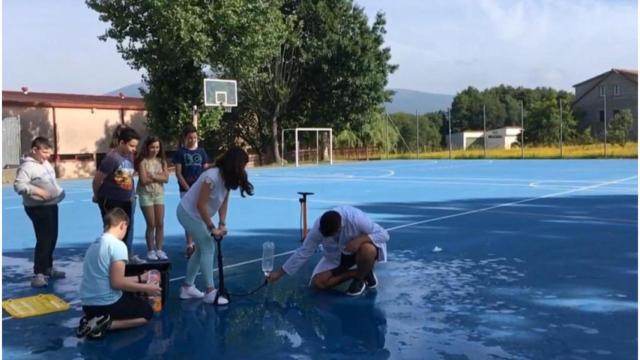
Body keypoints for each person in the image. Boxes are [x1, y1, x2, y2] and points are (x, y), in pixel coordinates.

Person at [176, 146, 254, 305]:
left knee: (201, 250)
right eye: (243, 165)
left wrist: (222, 223)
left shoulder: (228, 177)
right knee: (208, 247)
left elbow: (224, 200)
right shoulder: (211, 176)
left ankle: (187, 287)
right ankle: (210, 291)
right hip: (187, 213)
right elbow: (200, 205)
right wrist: (212, 228)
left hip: (198, 215)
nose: (244, 169)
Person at [267, 206, 389, 296]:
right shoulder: (318, 228)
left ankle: (358, 280)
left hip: (359, 253)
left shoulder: (356, 219)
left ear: (340, 228)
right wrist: (279, 273)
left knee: (368, 249)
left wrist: (361, 239)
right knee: (318, 283)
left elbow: (384, 235)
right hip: (337, 257)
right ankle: (360, 273)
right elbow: (304, 252)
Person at [78, 208, 161, 339]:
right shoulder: (118, 245)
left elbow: (112, 277)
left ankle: (94, 320)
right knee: (147, 313)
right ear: (123, 225)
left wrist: (141, 278)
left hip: (88, 306)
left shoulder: (94, 245)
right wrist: (147, 287)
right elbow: (117, 282)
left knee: (129, 295)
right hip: (106, 304)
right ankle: (107, 324)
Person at [13, 136, 66, 288]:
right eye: (44, 152)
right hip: (37, 208)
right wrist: (38, 192)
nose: (47, 155)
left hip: (51, 205)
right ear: (34, 150)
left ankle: (48, 268)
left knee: (53, 237)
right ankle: (38, 274)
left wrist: (59, 192)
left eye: (49, 152)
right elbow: (18, 186)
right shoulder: (27, 167)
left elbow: (51, 182)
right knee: (44, 239)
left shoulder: (45, 163)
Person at [92, 125, 144, 264]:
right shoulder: (111, 158)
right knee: (113, 228)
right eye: (132, 146)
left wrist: (132, 195)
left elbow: (127, 177)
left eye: (135, 146)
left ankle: (126, 255)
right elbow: (98, 179)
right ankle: (110, 258)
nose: (134, 149)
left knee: (128, 226)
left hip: (127, 199)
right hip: (112, 199)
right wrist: (97, 196)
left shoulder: (130, 156)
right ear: (122, 143)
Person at [172, 125, 210, 258]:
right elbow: (178, 173)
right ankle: (189, 245)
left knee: (201, 215)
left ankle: (202, 243)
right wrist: (188, 188)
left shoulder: (202, 152)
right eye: (190, 138)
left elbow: (206, 170)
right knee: (189, 217)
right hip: (186, 190)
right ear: (185, 138)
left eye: (194, 137)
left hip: (200, 189)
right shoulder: (180, 153)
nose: (192, 140)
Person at [135, 136, 169, 261]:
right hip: (146, 195)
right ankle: (151, 250)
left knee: (160, 223)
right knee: (151, 224)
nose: (155, 150)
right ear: (147, 147)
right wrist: (159, 176)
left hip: (159, 194)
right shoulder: (142, 162)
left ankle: (159, 249)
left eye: (157, 147)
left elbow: (166, 178)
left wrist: (153, 175)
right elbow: (143, 181)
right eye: (152, 147)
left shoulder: (162, 161)